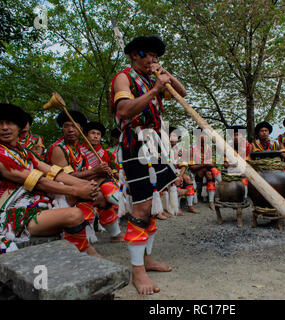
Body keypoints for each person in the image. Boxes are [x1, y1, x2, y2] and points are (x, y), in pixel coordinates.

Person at [0, 103, 100, 263]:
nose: (5, 127)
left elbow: (53, 172)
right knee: (74, 214)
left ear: (19, 127)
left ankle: (82, 249)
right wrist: (76, 190)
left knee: (91, 195)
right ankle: (84, 251)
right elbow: (36, 181)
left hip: (39, 204)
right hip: (14, 215)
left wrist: (83, 185)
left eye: (10, 123)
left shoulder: (24, 152)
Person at [111, 35, 186, 295]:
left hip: (156, 145)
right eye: (147, 55)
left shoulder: (150, 77)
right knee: (142, 207)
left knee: (155, 203)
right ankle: (137, 270)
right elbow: (123, 111)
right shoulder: (124, 78)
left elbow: (182, 93)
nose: (152, 60)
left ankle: (147, 258)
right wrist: (155, 90)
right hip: (136, 145)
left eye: (156, 56)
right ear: (134, 55)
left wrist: (164, 74)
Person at [47, 111, 123, 245]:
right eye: (66, 126)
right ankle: (84, 237)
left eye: (74, 126)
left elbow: (85, 173)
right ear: (62, 129)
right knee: (97, 195)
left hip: (78, 185)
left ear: (81, 129)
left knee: (101, 192)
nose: (71, 129)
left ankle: (115, 234)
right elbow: (65, 178)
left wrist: (102, 173)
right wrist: (95, 171)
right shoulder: (58, 148)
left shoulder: (79, 150)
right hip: (61, 191)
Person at [189, 128, 221, 211]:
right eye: (201, 135)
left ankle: (211, 202)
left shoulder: (209, 149)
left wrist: (208, 164)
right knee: (209, 169)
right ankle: (220, 179)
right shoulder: (192, 149)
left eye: (205, 135)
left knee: (209, 174)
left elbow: (210, 162)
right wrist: (204, 164)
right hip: (196, 173)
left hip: (207, 172)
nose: (204, 137)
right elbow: (191, 167)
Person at [169, 127, 200, 215]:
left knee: (187, 178)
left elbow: (183, 164)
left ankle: (190, 206)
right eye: (171, 135)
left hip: (178, 171)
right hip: (168, 172)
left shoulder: (180, 150)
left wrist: (180, 175)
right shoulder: (164, 149)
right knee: (177, 180)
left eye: (175, 136)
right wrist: (176, 176)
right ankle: (177, 207)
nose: (172, 138)